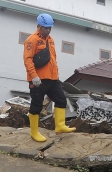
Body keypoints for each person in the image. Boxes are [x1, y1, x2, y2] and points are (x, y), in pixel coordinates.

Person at [23, 13, 75, 142]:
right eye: (46, 28)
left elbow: (53, 58)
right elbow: (28, 60)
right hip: (38, 79)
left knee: (61, 100)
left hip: (52, 78)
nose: (48, 30)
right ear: (39, 26)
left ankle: (60, 126)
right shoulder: (31, 40)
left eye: (50, 28)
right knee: (36, 105)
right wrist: (34, 76)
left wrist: (56, 74)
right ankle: (34, 132)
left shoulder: (50, 40)